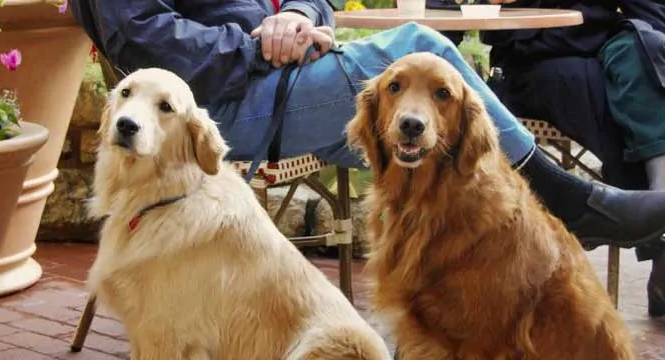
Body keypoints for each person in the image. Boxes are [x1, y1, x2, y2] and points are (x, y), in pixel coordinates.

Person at [68, 0, 665, 310]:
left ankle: (434, 323)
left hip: (280, 88)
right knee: (414, 47)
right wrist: (261, 46)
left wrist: (299, 17)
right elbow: (143, 33)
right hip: (211, 116)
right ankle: (565, 198)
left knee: (436, 151)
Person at [477, 0, 665, 316]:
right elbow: (443, 12)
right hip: (536, 61)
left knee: (647, 54)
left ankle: (656, 217)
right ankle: (658, 229)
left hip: (606, 49)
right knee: (623, 97)